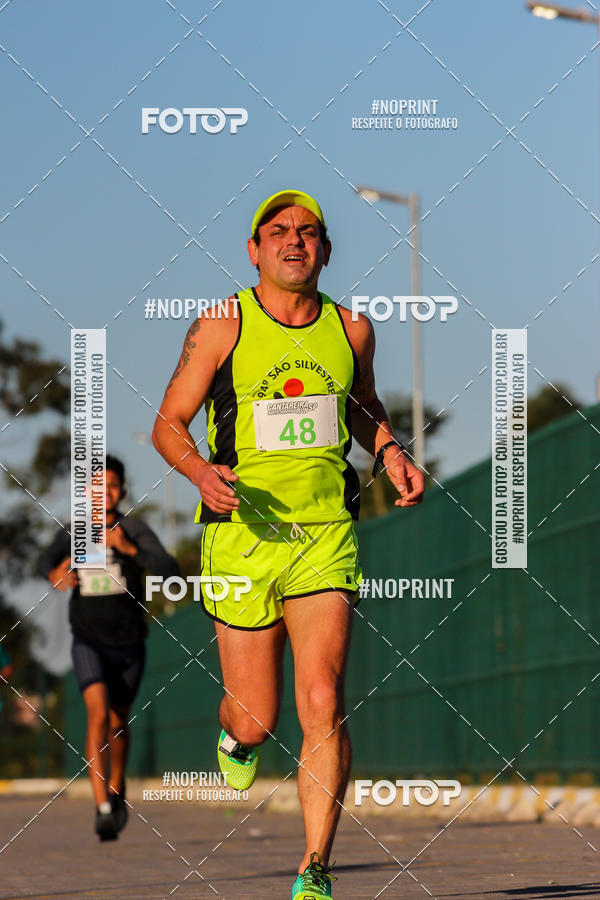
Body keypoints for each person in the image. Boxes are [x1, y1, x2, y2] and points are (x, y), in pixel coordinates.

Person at [152, 190, 424, 898]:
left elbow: (362, 406)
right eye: (277, 231)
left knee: (323, 698)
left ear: (326, 251)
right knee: (255, 716)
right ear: (254, 251)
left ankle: (314, 870)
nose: (293, 241)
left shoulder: (352, 328)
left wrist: (389, 450)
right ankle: (235, 735)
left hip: (324, 534)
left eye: (307, 232)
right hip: (242, 537)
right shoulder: (223, 325)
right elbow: (169, 423)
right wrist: (200, 472)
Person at [37, 455, 179, 841]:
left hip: (129, 642)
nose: (106, 493)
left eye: (113, 486)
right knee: (97, 715)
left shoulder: (133, 529)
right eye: (98, 487)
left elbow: (169, 569)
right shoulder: (73, 532)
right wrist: (55, 573)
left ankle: (117, 784)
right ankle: (102, 808)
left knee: (118, 722)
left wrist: (130, 550)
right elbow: (45, 561)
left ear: (122, 491)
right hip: (88, 639)